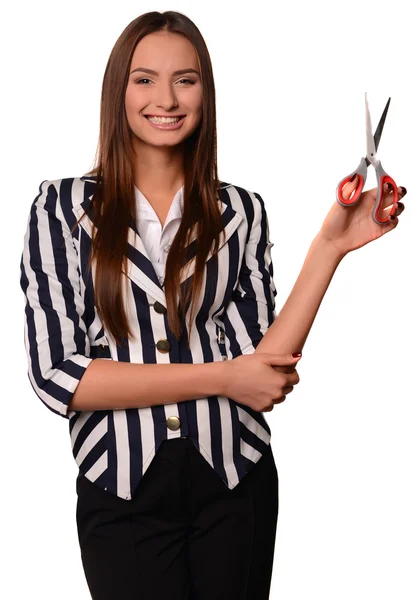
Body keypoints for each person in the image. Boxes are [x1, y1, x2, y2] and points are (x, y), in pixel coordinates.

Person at [19, 10, 407, 600]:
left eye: (187, 79)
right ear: (117, 90)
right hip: (121, 491)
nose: (166, 98)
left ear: (206, 92)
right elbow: (58, 378)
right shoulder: (60, 209)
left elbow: (264, 367)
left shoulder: (241, 211)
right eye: (145, 79)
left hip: (236, 484)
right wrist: (224, 376)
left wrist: (331, 247)